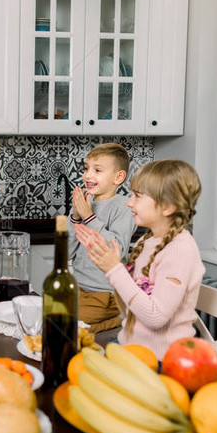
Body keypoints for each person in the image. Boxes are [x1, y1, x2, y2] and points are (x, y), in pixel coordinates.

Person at [75, 159, 203, 360]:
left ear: (167, 207)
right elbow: (130, 308)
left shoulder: (180, 250)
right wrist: (113, 267)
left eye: (138, 196)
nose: (129, 202)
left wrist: (114, 270)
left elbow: (156, 317)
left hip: (161, 360)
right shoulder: (149, 240)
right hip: (130, 347)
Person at [67, 143, 136, 334]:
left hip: (105, 294)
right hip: (78, 289)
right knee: (47, 316)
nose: (88, 175)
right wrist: (75, 217)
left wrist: (88, 217)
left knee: (67, 326)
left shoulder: (125, 206)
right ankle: (113, 320)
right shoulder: (86, 205)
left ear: (118, 177)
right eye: (87, 168)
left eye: (97, 170)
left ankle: (117, 316)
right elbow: (66, 251)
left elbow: (117, 249)